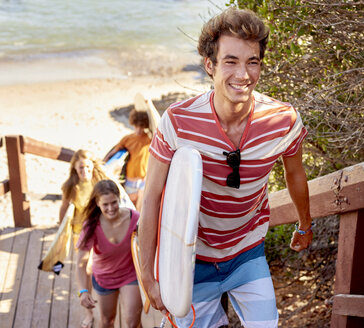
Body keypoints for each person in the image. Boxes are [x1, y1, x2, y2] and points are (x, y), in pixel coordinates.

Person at [139, 7, 313, 328]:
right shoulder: (178, 122)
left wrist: (304, 224)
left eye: (252, 62)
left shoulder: (283, 121)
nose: (242, 74)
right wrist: (148, 277)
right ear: (210, 65)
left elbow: (295, 174)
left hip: (246, 251)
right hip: (192, 258)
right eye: (230, 61)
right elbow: (150, 197)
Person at [76, 179, 142, 328]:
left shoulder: (135, 218)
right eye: (105, 204)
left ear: (119, 199)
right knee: (107, 321)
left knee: (133, 321)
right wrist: (83, 291)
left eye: (114, 202)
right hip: (104, 278)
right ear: (98, 203)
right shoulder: (91, 226)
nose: (111, 208)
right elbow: (81, 263)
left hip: (129, 274)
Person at [59, 149, 110, 328]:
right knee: (85, 269)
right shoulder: (71, 186)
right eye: (81, 167)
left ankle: (107, 302)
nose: (85, 171)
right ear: (74, 167)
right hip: (80, 234)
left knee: (98, 268)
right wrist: (61, 232)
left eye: (88, 166)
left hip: (101, 232)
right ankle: (89, 313)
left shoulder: (100, 182)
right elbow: (64, 208)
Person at [104, 109, 151, 211]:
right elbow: (114, 152)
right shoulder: (127, 139)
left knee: (141, 209)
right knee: (130, 206)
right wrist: (104, 163)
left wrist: (148, 105)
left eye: (141, 126)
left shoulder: (150, 139)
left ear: (145, 126)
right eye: (136, 126)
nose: (139, 129)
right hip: (130, 179)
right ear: (133, 124)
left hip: (143, 179)